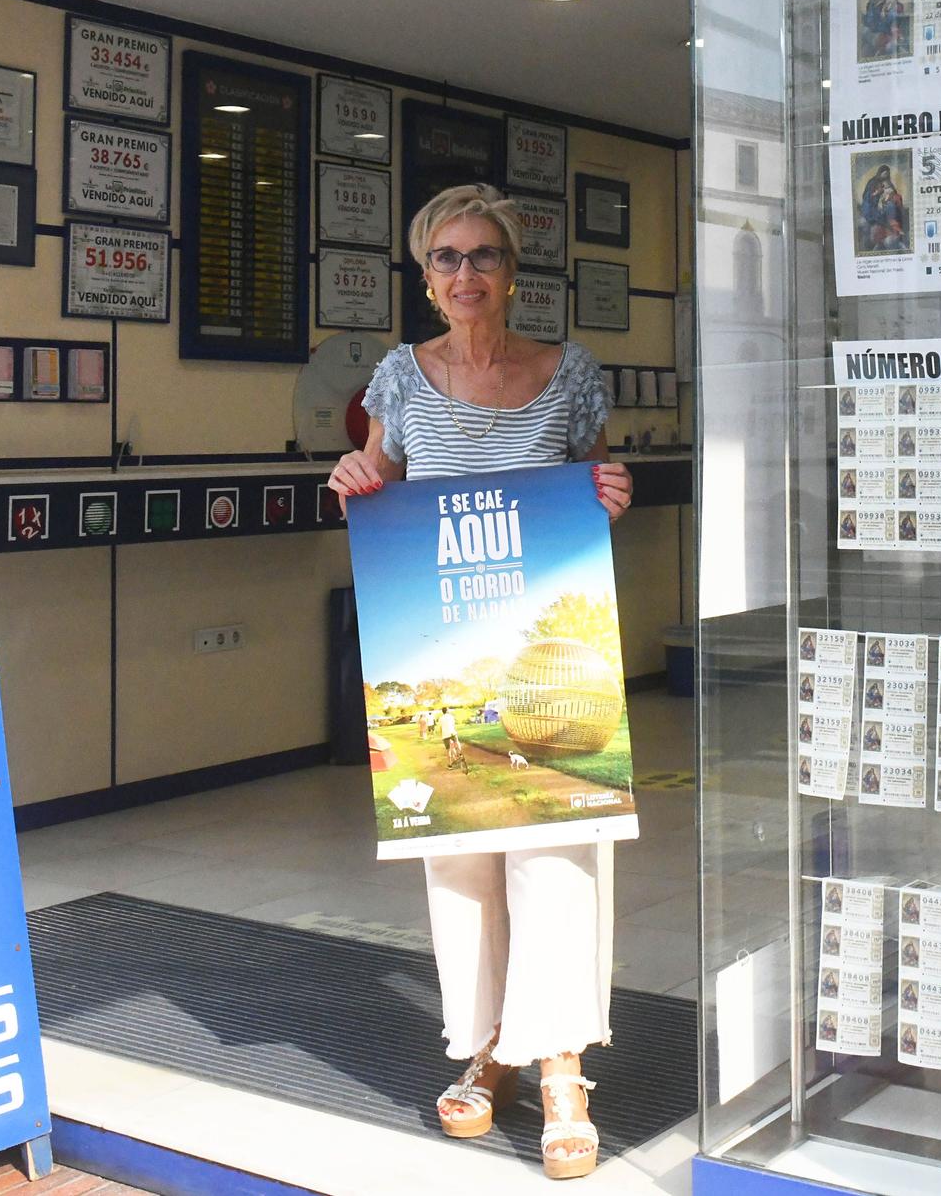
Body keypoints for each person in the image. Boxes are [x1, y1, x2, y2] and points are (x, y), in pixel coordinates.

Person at [327, 184, 632, 1181]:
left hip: (542, 642)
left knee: (554, 852)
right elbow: (375, 477)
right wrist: (354, 480)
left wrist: (611, 493)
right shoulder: (397, 379)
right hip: (441, 637)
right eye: (447, 259)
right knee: (460, 863)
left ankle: (559, 1071)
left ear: (512, 271)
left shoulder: (567, 372)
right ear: (425, 279)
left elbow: (592, 480)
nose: (466, 275)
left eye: (484, 256)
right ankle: (484, 1047)